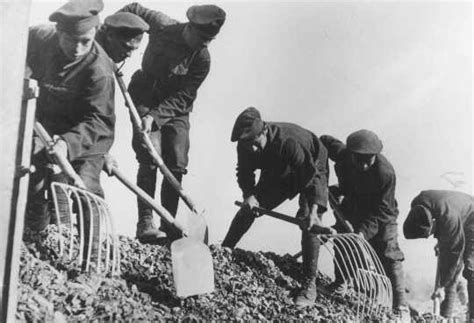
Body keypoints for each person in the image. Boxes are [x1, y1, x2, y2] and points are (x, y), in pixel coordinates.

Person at [116, 2, 226, 243]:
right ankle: (145, 222)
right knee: (150, 155)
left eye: (210, 40)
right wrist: (112, 37)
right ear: (189, 28)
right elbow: (132, 8)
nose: (205, 44)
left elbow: (184, 96)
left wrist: (154, 117)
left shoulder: (202, 59)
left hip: (176, 109)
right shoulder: (162, 25)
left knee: (176, 163)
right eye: (202, 37)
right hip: (145, 94)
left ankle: (168, 224)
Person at [222, 107, 332, 309]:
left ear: (264, 131)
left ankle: (309, 285)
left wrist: (314, 212)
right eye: (248, 146)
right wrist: (249, 195)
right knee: (250, 209)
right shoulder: (245, 144)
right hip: (277, 168)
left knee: (308, 221)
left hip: (312, 164)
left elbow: (311, 176)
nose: (252, 150)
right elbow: (244, 172)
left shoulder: (288, 141)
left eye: (256, 144)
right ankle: (224, 249)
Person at [25, 0, 115, 233]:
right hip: (45, 122)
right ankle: (36, 226)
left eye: (85, 42)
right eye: (69, 40)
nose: (77, 49)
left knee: (86, 186)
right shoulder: (41, 37)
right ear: (58, 32)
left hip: (87, 134)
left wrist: (68, 143)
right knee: (30, 165)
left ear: (95, 32)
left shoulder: (99, 70)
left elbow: (98, 119)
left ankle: (91, 255)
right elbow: (11, 47)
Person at [320, 130, 409, 317]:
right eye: (359, 159)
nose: (364, 164)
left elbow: (382, 211)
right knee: (344, 243)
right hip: (354, 205)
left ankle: (401, 306)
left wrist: (362, 233)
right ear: (351, 153)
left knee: (389, 252)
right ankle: (341, 284)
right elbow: (322, 141)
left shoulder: (385, 173)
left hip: (382, 214)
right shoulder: (343, 155)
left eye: (369, 159)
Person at [404, 190, 474, 320]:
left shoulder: (448, 218)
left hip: (471, 217)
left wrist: (441, 286)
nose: (430, 236)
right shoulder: (418, 205)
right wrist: (442, 239)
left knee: (471, 268)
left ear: (434, 222)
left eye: (430, 233)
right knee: (448, 270)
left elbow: (454, 258)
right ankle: (444, 316)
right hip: (454, 214)